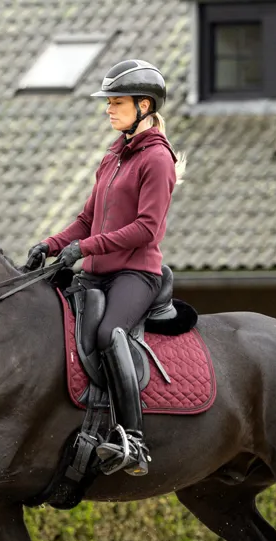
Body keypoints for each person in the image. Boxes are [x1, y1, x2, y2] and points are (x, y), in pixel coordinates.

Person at [26, 59, 182, 477]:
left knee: (108, 333)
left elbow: (147, 229)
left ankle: (134, 440)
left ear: (144, 106)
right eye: (108, 102)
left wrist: (85, 247)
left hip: (136, 274)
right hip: (96, 272)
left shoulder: (157, 159)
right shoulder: (113, 156)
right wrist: (50, 244)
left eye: (117, 102)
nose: (108, 109)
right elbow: (86, 219)